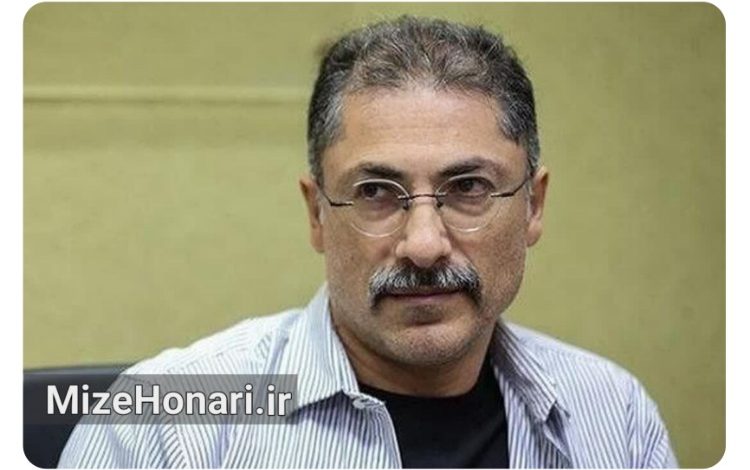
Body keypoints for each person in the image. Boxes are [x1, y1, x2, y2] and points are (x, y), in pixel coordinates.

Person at [58, 16, 678, 468]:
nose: (424, 245)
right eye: (377, 192)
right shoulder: (162, 427)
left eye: (468, 187)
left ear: (533, 206)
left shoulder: (614, 415)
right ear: (317, 214)